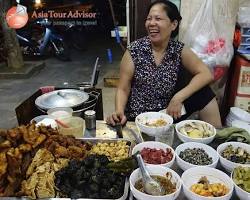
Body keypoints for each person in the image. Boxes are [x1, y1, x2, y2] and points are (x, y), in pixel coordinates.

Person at [106, 0, 222, 128]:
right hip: (137, 116)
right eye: (149, 19)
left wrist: (178, 97)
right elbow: (123, 88)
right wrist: (119, 110)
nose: (151, 23)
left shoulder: (178, 49)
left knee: (205, 93)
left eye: (158, 18)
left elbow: (206, 74)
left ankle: (216, 138)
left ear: (173, 24)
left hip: (166, 114)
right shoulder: (134, 50)